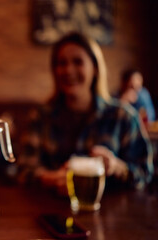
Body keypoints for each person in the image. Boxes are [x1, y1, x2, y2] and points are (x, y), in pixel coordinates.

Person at [17, 32, 154, 195]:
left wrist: (116, 167)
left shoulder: (122, 116)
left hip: (111, 216)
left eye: (78, 62)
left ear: (95, 68)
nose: (68, 70)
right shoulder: (40, 117)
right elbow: (23, 171)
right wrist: (51, 178)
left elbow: (145, 174)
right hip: (52, 214)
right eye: (62, 63)